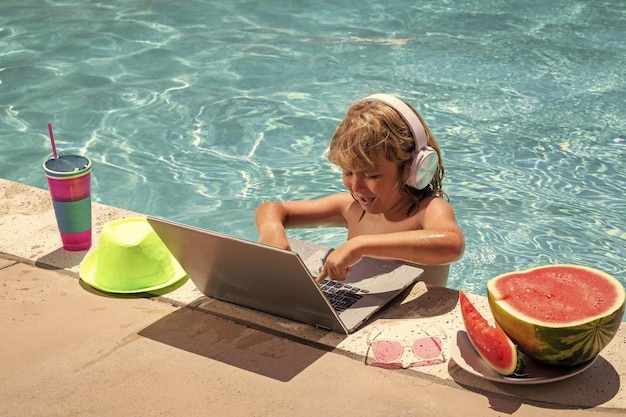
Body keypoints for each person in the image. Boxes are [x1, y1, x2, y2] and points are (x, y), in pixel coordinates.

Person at [254, 94, 465, 286]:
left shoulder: (428, 210)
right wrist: (272, 230)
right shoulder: (350, 208)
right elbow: (272, 208)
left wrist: (361, 245)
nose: (355, 186)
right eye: (348, 173)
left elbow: (451, 245)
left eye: (371, 175)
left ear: (413, 168)